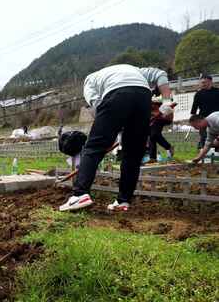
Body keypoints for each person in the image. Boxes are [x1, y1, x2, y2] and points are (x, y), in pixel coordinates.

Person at [59, 64, 171, 212]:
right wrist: (167, 101)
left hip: (117, 94)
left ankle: (80, 194)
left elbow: (98, 106)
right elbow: (161, 74)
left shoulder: (89, 80)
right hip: (143, 97)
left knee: (93, 147)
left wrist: (110, 128)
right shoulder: (136, 70)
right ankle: (123, 201)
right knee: (132, 154)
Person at [191, 75, 219, 149]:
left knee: (216, 139)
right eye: (201, 82)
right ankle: (204, 154)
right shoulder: (198, 94)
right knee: (204, 138)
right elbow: (194, 108)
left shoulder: (218, 91)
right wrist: (192, 120)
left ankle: (216, 154)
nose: (202, 84)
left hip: (216, 119)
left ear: (210, 81)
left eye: (204, 82)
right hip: (203, 120)